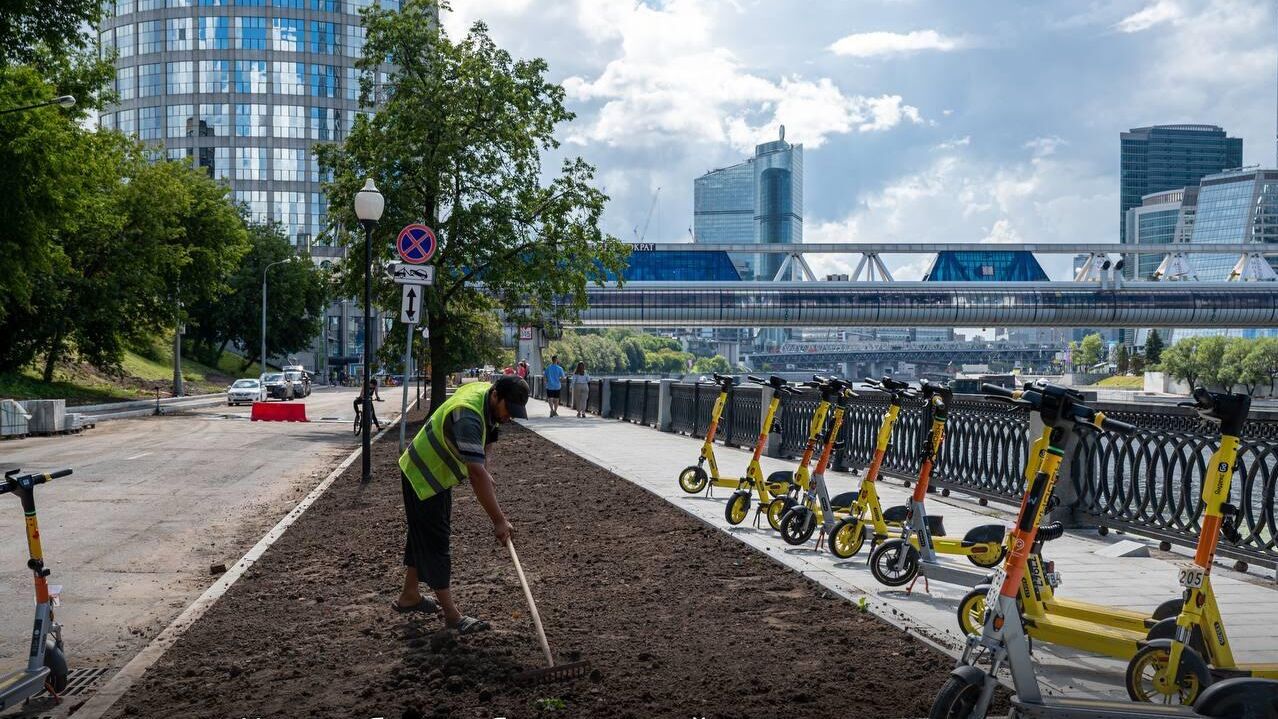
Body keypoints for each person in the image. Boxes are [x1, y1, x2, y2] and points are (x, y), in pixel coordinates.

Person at [393, 376, 528, 634]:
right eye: (508, 409)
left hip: (434, 474)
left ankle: (409, 595)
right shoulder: (468, 416)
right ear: (496, 395)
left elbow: (489, 436)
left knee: (422, 533)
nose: (509, 416)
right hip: (424, 473)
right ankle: (453, 616)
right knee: (436, 540)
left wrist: (485, 466)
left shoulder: (486, 398)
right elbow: (475, 474)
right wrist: (498, 520)